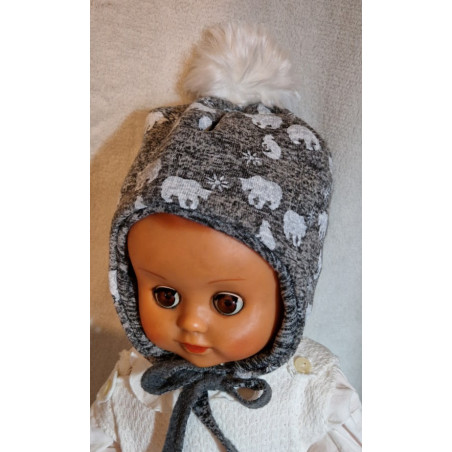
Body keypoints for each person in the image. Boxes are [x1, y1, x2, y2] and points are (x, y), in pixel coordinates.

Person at [91, 23, 362, 452]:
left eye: (226, 302)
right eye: (165, 294)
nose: (192, 323)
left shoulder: (309, 390)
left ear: (291, 298)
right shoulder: (135, 383)